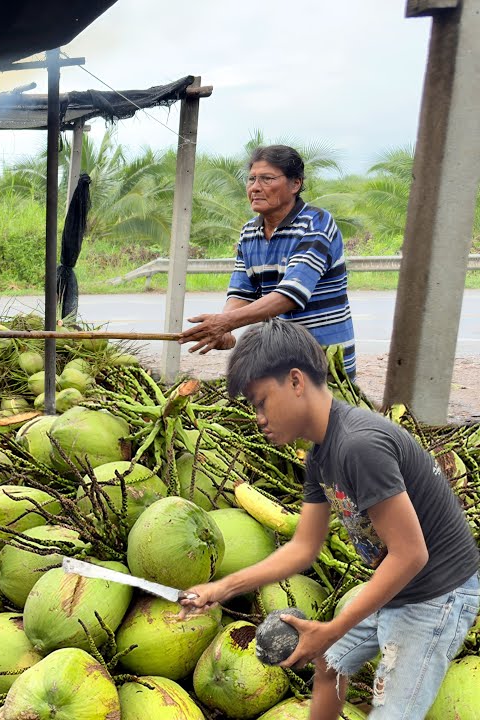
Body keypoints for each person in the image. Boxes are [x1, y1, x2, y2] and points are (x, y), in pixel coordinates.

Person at [179, 319, 479, 719]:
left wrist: (331, 628)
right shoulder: (321, 454)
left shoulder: (359, 446)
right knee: (331, 664)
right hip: (403, 583)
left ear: (296, 381)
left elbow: (411, 556)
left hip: (439, 594)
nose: (259, 418)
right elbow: (303, 547)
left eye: (261, 401)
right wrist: (223, 588)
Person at [180, 145, 357, 378]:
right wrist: (226, 328)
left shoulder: (316, 224)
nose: (255, 187)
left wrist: (226, 322)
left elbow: (291, 295)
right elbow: (241, 292)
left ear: (295, 184)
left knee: (325, 414)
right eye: (251, 179)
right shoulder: (249, 232)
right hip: (277, 358)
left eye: (266, 179)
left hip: (324, 359)